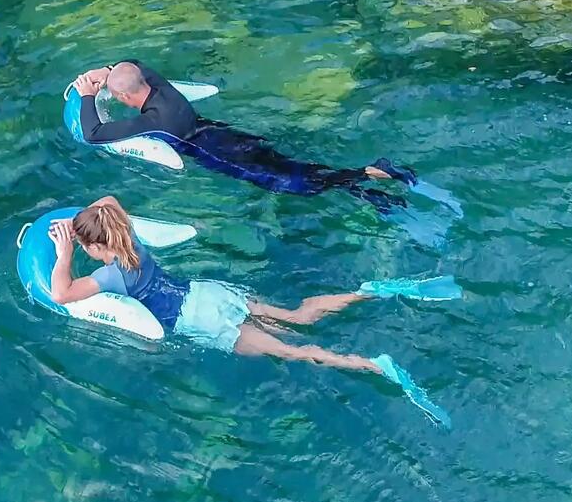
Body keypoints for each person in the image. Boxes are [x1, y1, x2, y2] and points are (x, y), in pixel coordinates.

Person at [49, 195, 402, 376]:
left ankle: (372, 365)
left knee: (291, 351)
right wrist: (81, 223)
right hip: (206, 293)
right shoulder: (131, 237)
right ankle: (367, 291)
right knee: (297, 318)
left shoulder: (108, 276)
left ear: (96, 246)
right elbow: (108, 202)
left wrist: (64, 252)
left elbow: (61, 294)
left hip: (200, 322)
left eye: (85, 246)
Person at [71, 60, 417, 215]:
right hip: (225, 135)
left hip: (216, 153)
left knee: (295, 183)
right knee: (292, 165)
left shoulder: (155, 122)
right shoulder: (161, 86)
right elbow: (132, 63)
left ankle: (366, 177)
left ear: (122, 97)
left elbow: (94, 132)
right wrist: (109, 72)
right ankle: (365, 182)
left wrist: (88, 93)